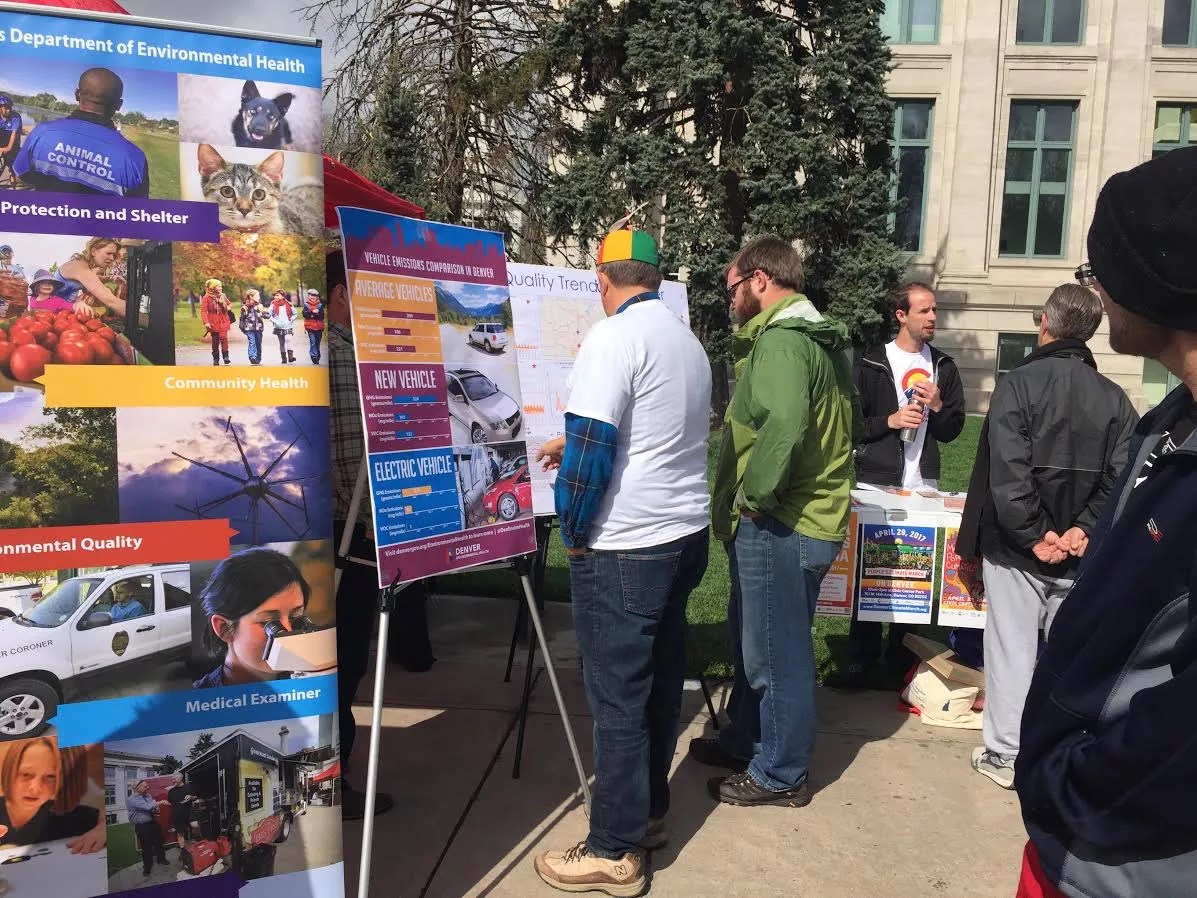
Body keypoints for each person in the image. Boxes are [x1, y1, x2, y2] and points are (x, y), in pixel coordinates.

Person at [1012, 147, 1197, 896]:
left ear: (1151, 282)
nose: (1095, 291)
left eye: (1099, 271)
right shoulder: (1168, 421)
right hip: (1070, 844)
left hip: (1128, 859)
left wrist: (1079, 788)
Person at [531, 228, 711, 896]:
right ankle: (647, 814)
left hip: (627, 543)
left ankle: (612, 847)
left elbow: (592, 450)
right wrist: (572, 439)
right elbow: (652, 430)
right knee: (658, 685)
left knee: (617, 699)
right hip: (682, 533)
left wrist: (574, 533)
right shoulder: (684, 340)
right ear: (654, 279)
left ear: (601, 279)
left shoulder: (611, 337)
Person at [690, 235, 860, 810]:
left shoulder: (784, 341)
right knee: (754, 642)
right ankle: (746, 738)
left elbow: (784, 425)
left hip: (784, 521)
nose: (730, 300)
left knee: (776, 653)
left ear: (759, 280)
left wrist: (756, 498)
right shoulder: (814, 337)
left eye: (733, 288)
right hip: (799, 517)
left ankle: (781, 772)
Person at [956, 283, 1136, 792]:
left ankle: (1007, 753)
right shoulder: (1114, 398)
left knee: (1013, 651)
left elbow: (1007, 472)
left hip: (1026, 547)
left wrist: (1043, 534)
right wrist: (1079, 529)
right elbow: (1120, 477)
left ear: (1045, 324)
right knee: (1066, 655)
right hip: (1066, 548)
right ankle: (1054, 750)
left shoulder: (1018, 384)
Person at [327, 248, 434, 823]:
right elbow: (351, 461)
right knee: (343, 659)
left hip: (327, 532)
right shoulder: (342, 356)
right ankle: (333, 782)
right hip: (347, 536)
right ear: (342, 296)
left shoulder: (325, 348)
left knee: (334, 657)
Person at [844, 282, 966, 687]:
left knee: (912, 572)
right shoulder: (871, 363)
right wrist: (891, 421)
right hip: (877, 481)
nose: (932, 317)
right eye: (924, 310)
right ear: (901, 315)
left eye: (935, 310)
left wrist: (938, 406)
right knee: (869, 569)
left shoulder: (943, 366)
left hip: (922, 482)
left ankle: (901, 660)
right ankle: (861, 659)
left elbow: (953, 430)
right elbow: (851, 424)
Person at [13, 68, 149, 197]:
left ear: (77, 94)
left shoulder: (42, 133)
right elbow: (137, 210)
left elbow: (21, 175)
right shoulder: (134, 158)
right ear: (119, 105)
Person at [192, 546, 313, 689]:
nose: (288, 633)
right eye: (269, 623)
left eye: (295, 618)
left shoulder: (311, 685)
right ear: (224, 628)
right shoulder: (195, 699)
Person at [0, 737, 104, 853]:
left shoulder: (66, 815)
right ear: (9, 770)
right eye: (26, 774)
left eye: (50, 777)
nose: (35, 788)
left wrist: (102, 830)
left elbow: (108, 819)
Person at [56, 237, 126, 320]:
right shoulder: (80, 268)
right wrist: (139, 316)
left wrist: (110, 278)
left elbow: (94, 278)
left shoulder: (82, 265)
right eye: (108, 253)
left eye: (113, 255)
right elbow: (111, 301)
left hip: (64, 312)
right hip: (56, 314)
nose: (112, 258)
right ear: (93, 251)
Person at [125, 780, 168, 876]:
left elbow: (152, 808)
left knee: (159, 842)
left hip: (152, 822)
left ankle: (161, 859)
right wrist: (161, 802)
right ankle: (147, 867)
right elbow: (148, 806)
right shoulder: (131, 799)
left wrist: (155, 810)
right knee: (146, 847)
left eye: (147, 786)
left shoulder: (148, 796)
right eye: (145, 786)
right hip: (142, 826)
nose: (148, 787)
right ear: (138, 788)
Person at [200, 278, 232, 366]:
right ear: (212, 288)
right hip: (213, 321)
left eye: (221, 286)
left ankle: (226, 357)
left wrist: (228, 307)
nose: (221, 288)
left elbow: (229, 304)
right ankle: (216, 359)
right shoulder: (206, 298)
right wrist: (206, 322)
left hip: (223, 320)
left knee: (224, 338)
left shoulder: (223, 296)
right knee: (215, 340)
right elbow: (203, 311)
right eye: (218, 286)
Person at [165, 774, 198, 852]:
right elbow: (171, 803)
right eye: (172, 779)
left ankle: (197, 838)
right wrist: (165, 803)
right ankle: (183, 851)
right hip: (177, 815)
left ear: (180, 778)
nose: (173, 781)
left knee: (195, 825)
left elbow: (195, 797)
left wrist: (190, 797)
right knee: (180, 833)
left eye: (174, 779)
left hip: (189, 812)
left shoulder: (188, 786)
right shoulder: (171, 791)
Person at [239, 289, 266, 365]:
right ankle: (252, 357)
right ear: (251, 297)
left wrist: (265, 314)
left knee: (258, 343)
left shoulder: (260, 306)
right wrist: (241, 325)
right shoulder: (245, 307)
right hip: (249, 328)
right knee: (252, 342)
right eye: (257, 296)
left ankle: (258, 357)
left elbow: (265, 315)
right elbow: (242, 317)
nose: (259, 297)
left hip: (259, 328)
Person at [269, 289, 297, 364]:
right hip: (278, 326)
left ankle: (290, 357)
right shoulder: (273, 305)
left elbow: (295, 314)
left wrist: (291, 320)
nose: (275, 297)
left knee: (288, 339)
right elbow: (269, 315)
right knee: (281, 342)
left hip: (288, 326)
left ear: (283, 296)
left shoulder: (289, 304)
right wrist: (274, 321)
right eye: (275, 295)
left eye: (277, 295)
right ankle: (284, 358)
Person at [0, 96, 22, 177]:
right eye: (6, 108)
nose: (8, 110)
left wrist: (8, 147)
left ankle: (13, 181)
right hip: (2, 139)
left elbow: (14, 133)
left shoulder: (16, 117)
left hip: (13, 143)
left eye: (10, 108)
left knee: (12, 169)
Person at [302, 288, 326, 364]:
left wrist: (317, 313)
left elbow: (322, 316)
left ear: (317, 297)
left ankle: (317, 356)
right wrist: (312, 312)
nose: (312, 297)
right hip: (310, 327)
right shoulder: (306, 305)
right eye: (311, 295)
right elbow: (305, 315)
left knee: (317, 342)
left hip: (319, 327)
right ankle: (314, 356)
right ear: (308, 296)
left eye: (314, 295)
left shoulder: (320, 305)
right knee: (313, 341)